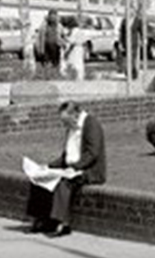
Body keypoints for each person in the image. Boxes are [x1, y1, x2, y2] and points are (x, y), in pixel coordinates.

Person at [23, 101, 105, 237]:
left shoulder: (91, 124)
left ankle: (63, 223)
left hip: (88, 170)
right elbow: (66, 156)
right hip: (71, 168)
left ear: (75, 115)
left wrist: (74, 167)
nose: (65, 125)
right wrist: (48, 166)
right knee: (40, 177)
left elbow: (92, 153)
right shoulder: (71, 128)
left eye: (66, 121)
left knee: (64, 183)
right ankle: (42, 219)